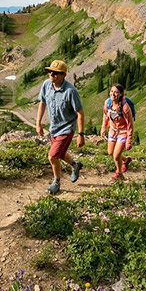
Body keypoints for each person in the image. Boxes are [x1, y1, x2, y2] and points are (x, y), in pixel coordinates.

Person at [35, 60, 85, 195]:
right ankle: (75, 165)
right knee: (60, 154)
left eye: (56, 73)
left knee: (52, 156)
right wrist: (38, 123)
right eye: (50, 72)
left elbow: (80, 113)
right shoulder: (46, 85)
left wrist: (81, 134)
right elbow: (42, 103)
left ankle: (56, 182)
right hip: (54, 128)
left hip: (67, 128)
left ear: (63, 75)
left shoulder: (71, 91)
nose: (52, 74)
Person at [101, 84, 134, 180]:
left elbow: (130, 125)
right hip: (113, 130)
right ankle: (126, 160)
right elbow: (105, 115)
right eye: (111, 91)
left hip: (123, 132)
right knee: (111, 152)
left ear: (121, 94)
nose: (113, 94)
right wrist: (103, 128)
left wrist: (129, 140)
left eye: (116, 92)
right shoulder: (108, 102)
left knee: (116, 156)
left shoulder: (125, 108)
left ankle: (119, 173)